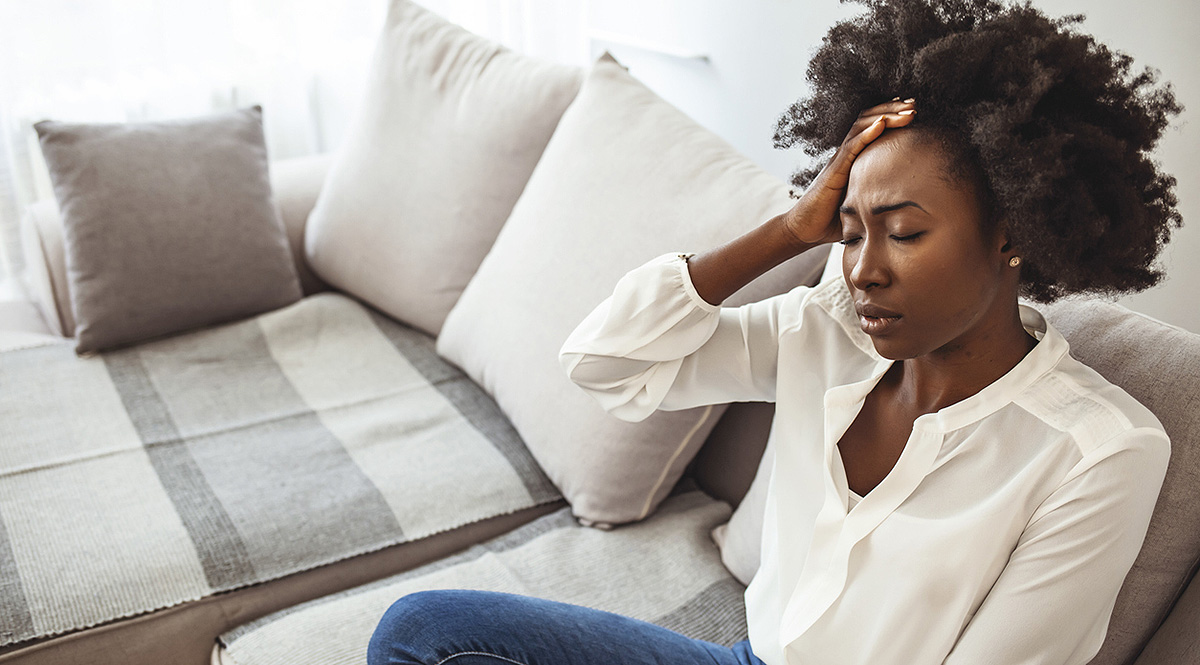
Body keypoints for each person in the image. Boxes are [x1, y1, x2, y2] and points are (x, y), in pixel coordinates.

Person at [367, 0, 1181, 663]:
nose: (864, 268)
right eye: (849, 229)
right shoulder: (824, 332)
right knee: (421, 632)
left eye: (902, 231)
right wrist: (788, 233)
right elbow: (604, 363)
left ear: (1010, 232)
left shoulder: (1099, 450)